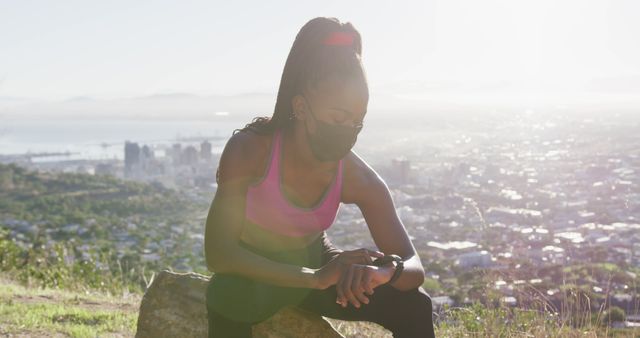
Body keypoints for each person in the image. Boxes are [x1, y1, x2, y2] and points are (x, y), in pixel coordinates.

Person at [204, 16, 436, 338]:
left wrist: (384, 271)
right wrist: (313, 277)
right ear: (301, 107)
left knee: (414, 305)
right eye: (337, 117)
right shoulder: (251, 150)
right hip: (255, 274)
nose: (347, 130)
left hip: (317, 266)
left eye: (357, 121)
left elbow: (414, 268)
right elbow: (220, 254)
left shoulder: (357, 177)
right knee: (225, 296)